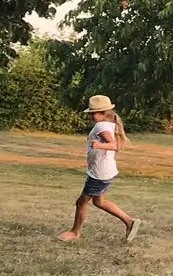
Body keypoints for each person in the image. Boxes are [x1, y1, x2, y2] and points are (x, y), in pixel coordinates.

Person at [59, 95, 143, 243]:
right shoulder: (109, 124)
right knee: (99, 201)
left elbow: (115, 146)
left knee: (81, 202)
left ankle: (75, 232)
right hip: (105, 171)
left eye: (93, 113)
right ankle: (129, 222)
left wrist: (98, 145)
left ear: (104, 113)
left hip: (99, 174)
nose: (91, 116)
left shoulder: (101, 126)